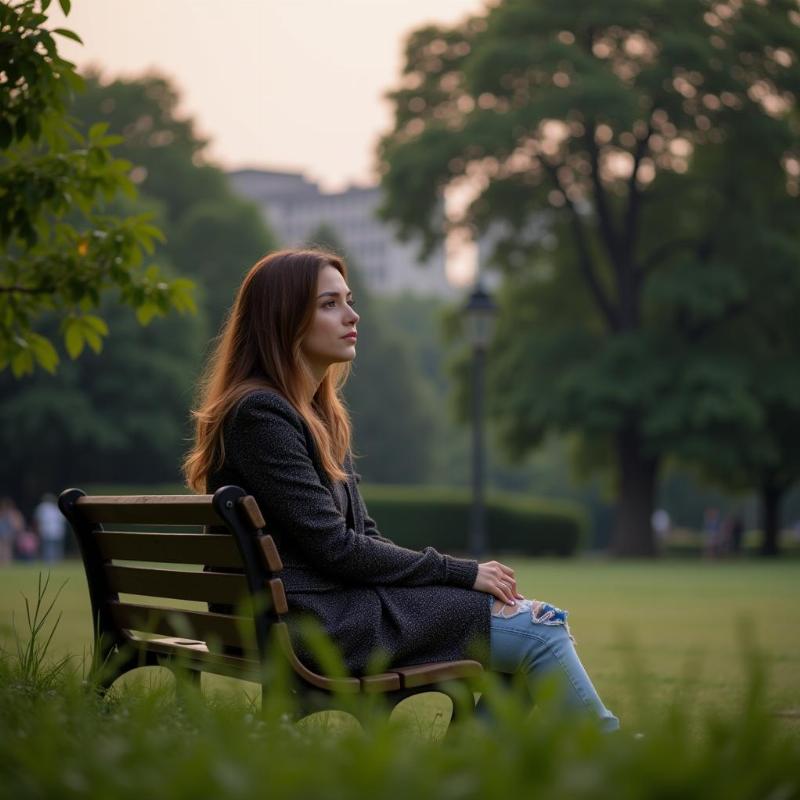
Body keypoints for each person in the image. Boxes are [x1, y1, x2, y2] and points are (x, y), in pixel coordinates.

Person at [183, 249, 618, 731]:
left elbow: (363, 534)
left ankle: (465, 772)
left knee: (519, 623)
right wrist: (459, 571)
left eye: (348, 300)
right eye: (329, 304)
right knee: (538, 630)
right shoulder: (262, 416)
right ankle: (612, 752)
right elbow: (335, 548)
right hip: (313, 624)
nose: (353, 315)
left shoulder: (318, 415)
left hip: (315, 610)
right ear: (282, 320)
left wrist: (446, 579)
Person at [33, 493, 66, 563]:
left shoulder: (42, 507)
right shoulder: (57, 507)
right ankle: (55, 560)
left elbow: (37, 519)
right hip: (56, 531)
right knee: (54, 547)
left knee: (48, 547)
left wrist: (37, 529)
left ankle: (49, 561)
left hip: (47, 530)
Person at [0, 497, 25, 566]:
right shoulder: (3, 513)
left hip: (8, 534)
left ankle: (6, 562)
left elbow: (18, 524)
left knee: (6, 549)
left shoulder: (13, 514)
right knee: (3, 549)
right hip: (3, 533)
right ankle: (4, 562)